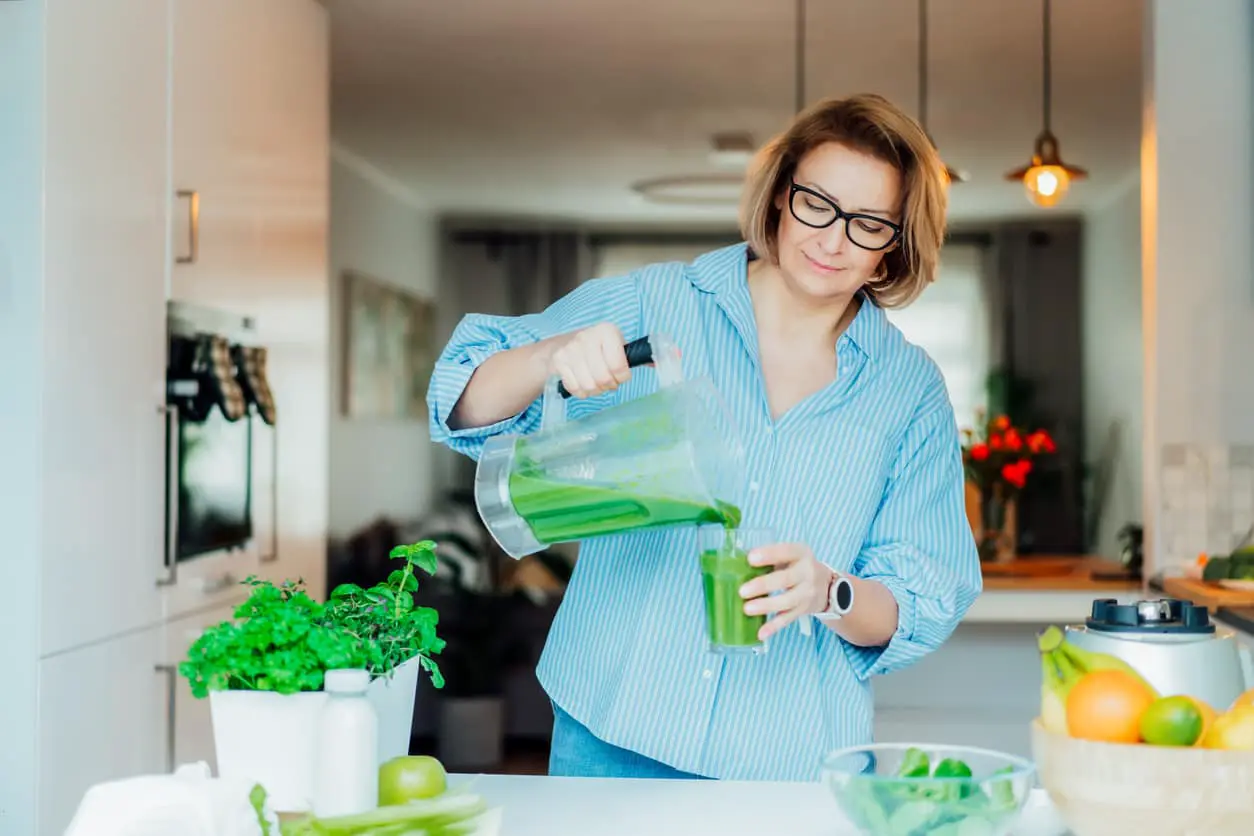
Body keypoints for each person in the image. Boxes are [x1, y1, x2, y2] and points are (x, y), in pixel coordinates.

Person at [426, 93, 983, 782]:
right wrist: (549, 358)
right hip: (611, 730)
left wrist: (827, 590)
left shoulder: (909, 390)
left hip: (785, 760)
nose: (833, 239)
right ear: (781, 198)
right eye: (817, 203)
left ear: (892, 249)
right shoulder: (655, 301)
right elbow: (458, 391)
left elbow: (921, 596)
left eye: (868, 223)